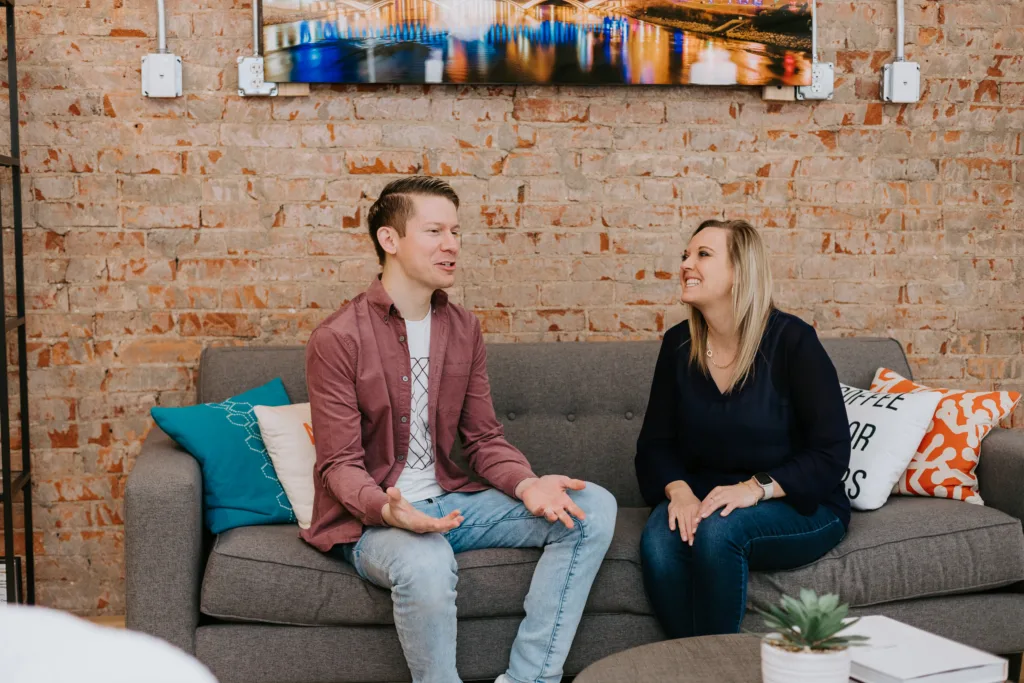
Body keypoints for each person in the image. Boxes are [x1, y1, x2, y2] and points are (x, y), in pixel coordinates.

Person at [301, 176, 617, 683]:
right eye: (433, 231)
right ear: (390, 240)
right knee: (424, 561)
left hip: (452, 503)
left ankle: (528, 679)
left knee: (593, 508)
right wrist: (390, 510)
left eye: (456, 231)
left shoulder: (463, 328)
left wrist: (527, 483)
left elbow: (484, 438)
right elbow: (339, 464)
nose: (451, 244)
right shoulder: (337, 338)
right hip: (376, 519)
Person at [635, 218, 851, 638]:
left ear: (740, 272)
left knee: (719, 532)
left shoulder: (793, 341)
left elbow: (830, 452)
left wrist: (754, 488)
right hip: (706, 497)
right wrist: (678, 492)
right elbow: (654, 445)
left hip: (798, 503)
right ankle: (700, 667)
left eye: (702, 255)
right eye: (685, 255)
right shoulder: (679, 345)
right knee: (660, 542)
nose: (685, 264)